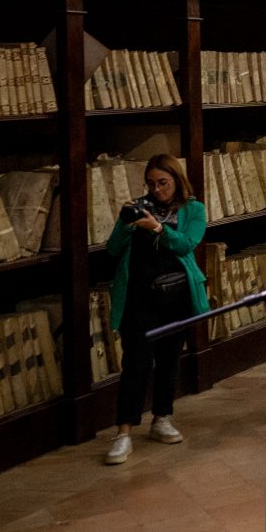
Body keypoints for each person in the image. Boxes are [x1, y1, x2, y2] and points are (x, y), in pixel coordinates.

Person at [102, 154, 210, 465]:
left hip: (176, 296)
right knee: (135, 362)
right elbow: (112, 249)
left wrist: (159, 230)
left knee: (168, 359)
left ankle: (162, 416)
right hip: (138, 296)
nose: (157, 189)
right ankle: (123, 432)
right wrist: (126, 223)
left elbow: (186, 245)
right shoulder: (139, 206)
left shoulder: (193, 209)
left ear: (177, 180)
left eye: (163, 182)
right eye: (151, 184)